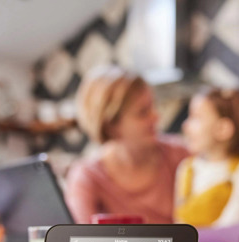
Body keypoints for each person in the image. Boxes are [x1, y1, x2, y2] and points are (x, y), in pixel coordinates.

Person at [65, 66, 188, 224]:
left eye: (152, 106)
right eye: (142, 112)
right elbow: (82, 241)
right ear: (111, 125)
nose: (156, 117)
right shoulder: (88, 177)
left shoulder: (180, 154)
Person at [174, 87, 239, 242]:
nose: (185, 125)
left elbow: (231, 227)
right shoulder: (186, 169)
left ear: (223, 129)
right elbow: (180, 223)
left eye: (196, 118)